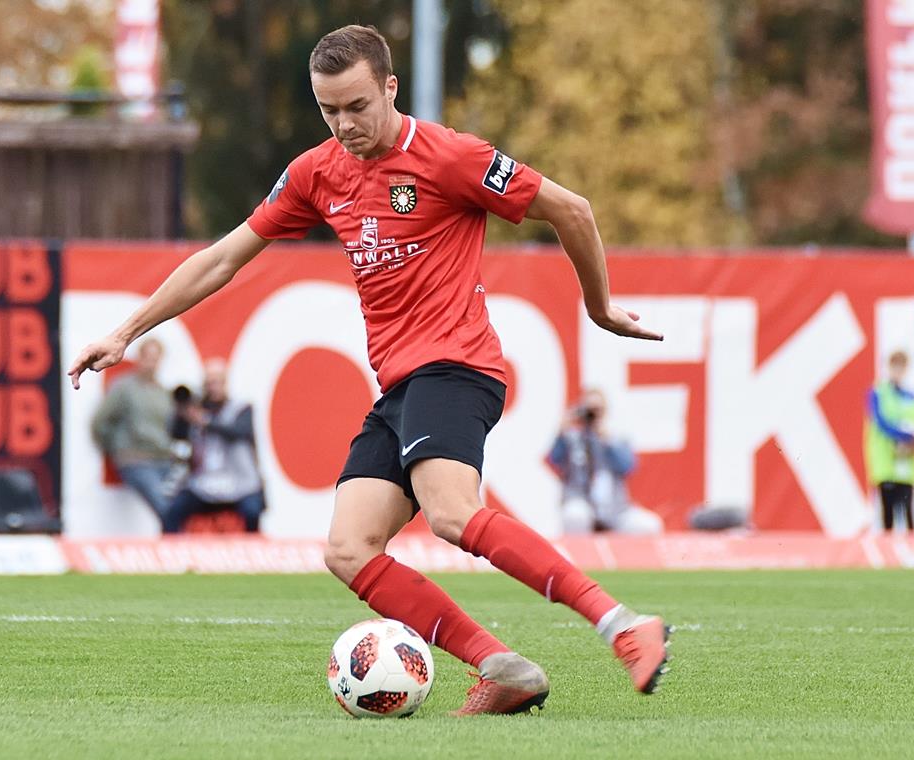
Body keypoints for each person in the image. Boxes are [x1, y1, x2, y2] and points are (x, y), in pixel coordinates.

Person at [69, 25, 670, 715]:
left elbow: (572, 209)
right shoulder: (317, 173)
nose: (345, 124)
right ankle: (501, 667)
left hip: (458, 366)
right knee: (349, 549)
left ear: (390, 86)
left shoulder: (450, 156)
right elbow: (222, 257)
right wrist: (124, 331)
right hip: (401, 387)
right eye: (329, 110)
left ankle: (624, 626)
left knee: (451, 512)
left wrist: (597, 307)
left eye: (358, 105)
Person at [89, 338, 181, 532]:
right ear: (140, 358)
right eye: (148, 358)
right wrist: (117, 448)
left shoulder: (163, 392)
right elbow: (101, 421)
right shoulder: (124, 387)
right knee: (166, 507)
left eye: (156, 358)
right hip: (136, 459)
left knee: (179, 507)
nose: (151, 363)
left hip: (163, 459)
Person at [168, 359, 266, 533]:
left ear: (225, 382)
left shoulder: (241, 408)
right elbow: (176, 434)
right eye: (208, 383)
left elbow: (239, 432)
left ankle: (253, 558)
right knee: (173, 511)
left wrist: (206, 422)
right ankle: (172, 557)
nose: (212, 387)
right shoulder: (198, 410)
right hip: (204, 485)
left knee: (252, 512)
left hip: (240, 484)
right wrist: (182, 412)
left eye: (216, 382)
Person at [549, 389, 663, 535]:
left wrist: (606, 439)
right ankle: (578, 558)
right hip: (582, 502)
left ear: (605, 411)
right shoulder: (571, 439)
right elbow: (553, 460)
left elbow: (628, 467)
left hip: (615, 509)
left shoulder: (616, 439)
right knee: (575, 515)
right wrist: (562, 430)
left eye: (597, 410)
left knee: (649, 525)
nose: (592, 416)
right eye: (589, 410)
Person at [865, 350, 914, 533]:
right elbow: (882, 423)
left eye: (901, 367)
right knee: (888, 514)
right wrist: (908, 437)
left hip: (907, 467)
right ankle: (889, 558)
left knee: (909, 514)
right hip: (886, 464)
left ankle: (912, 558)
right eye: (895, 366)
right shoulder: (878, 393)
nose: (898, 371)